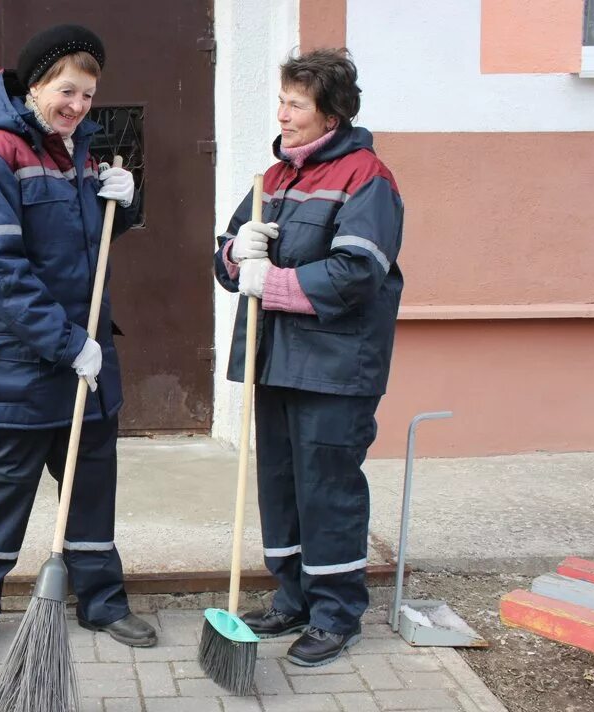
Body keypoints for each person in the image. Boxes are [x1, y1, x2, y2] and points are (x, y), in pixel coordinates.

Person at [0, 23, 157, 664]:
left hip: (84, 364)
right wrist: (68, 344)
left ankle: (103, 602)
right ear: (34, 85)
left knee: (91, 490)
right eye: (68, 92)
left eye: (89, 96)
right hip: (17, 365)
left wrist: (125, 201)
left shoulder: (78, 153)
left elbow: (77, 246)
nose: (78, 106)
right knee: (0, 496)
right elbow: (1, 273)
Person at [213, 48, 404, 667]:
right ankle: (292, 596)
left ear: (331, 115)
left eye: (296, 103)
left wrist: (269, 283)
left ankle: (337, 613)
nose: (283, 113)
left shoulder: (365, 176)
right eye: (282, 101)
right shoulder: (273, 179)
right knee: (281, 485)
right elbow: (228, 256)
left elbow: (357, 273)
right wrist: (235, 254)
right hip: (276, 359)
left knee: (327, 488)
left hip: (334, 367)